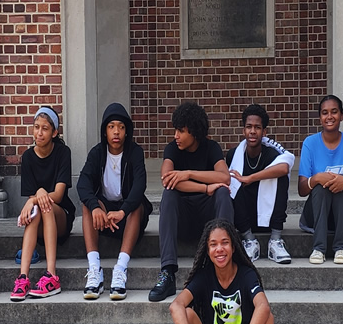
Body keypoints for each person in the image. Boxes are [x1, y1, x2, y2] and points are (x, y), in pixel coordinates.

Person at [149, 102, 234, 303]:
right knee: (169, 194)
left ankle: (225, 267)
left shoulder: (211, 148)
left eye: (181, 131)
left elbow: (224, 177)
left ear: (194, 132)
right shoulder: (172, 149)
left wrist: (187, 173)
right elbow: (167, 179)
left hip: (208, 223)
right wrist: (204, 188)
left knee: (223, 193)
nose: (176, 136)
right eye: (175, 130)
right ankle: (168, 272)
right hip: (183, 220)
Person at [76, 102, 153, 300]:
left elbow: (140, 186)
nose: (116, 132)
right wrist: (95, 207)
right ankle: (95, 270)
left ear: (127, 131)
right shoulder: (97, 153)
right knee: (87, 205)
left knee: (137, 205)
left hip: (128, 216)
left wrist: (123, 211)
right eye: (111, 127)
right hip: (105, 215)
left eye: (121, 127)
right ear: (105, 131)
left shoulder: (135, 152)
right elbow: (83, 183)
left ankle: (120, 269)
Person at [12, 106, 75, 301]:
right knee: (37, 209)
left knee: (44, 205)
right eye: (36, 127)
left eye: (45, 128)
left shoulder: (63, 152)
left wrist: (36, 195)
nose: (39, 133)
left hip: (61, 216)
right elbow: (34, 199)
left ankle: (52, 276)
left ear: (54, 133)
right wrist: (35, 198)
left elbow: (58, 195)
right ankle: (23, 278)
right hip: (39, 220)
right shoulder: (28, 157)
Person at [226, 104, 294, 264]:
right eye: (249, 127)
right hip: (245, 219)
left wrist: (250, 178)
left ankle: (275, 241)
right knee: (232, 180)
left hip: (268, 216)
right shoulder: (234, 155)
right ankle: (249, 240)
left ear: (264, 132)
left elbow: (284, 168)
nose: (252, 131)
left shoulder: (272, 152)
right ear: (243, 130)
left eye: (257, 127)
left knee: (281, 177)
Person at [298, 94, 343, 264]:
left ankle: (341, 248)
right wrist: (316, 178)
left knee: (342, 186)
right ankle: (318, 249)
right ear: (320, 118)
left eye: (334, 111)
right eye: (325, 113)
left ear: (342, 115)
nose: (329, 116)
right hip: (317, 214)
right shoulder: (310, 143)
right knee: (320, 187)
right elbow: (302, 190)